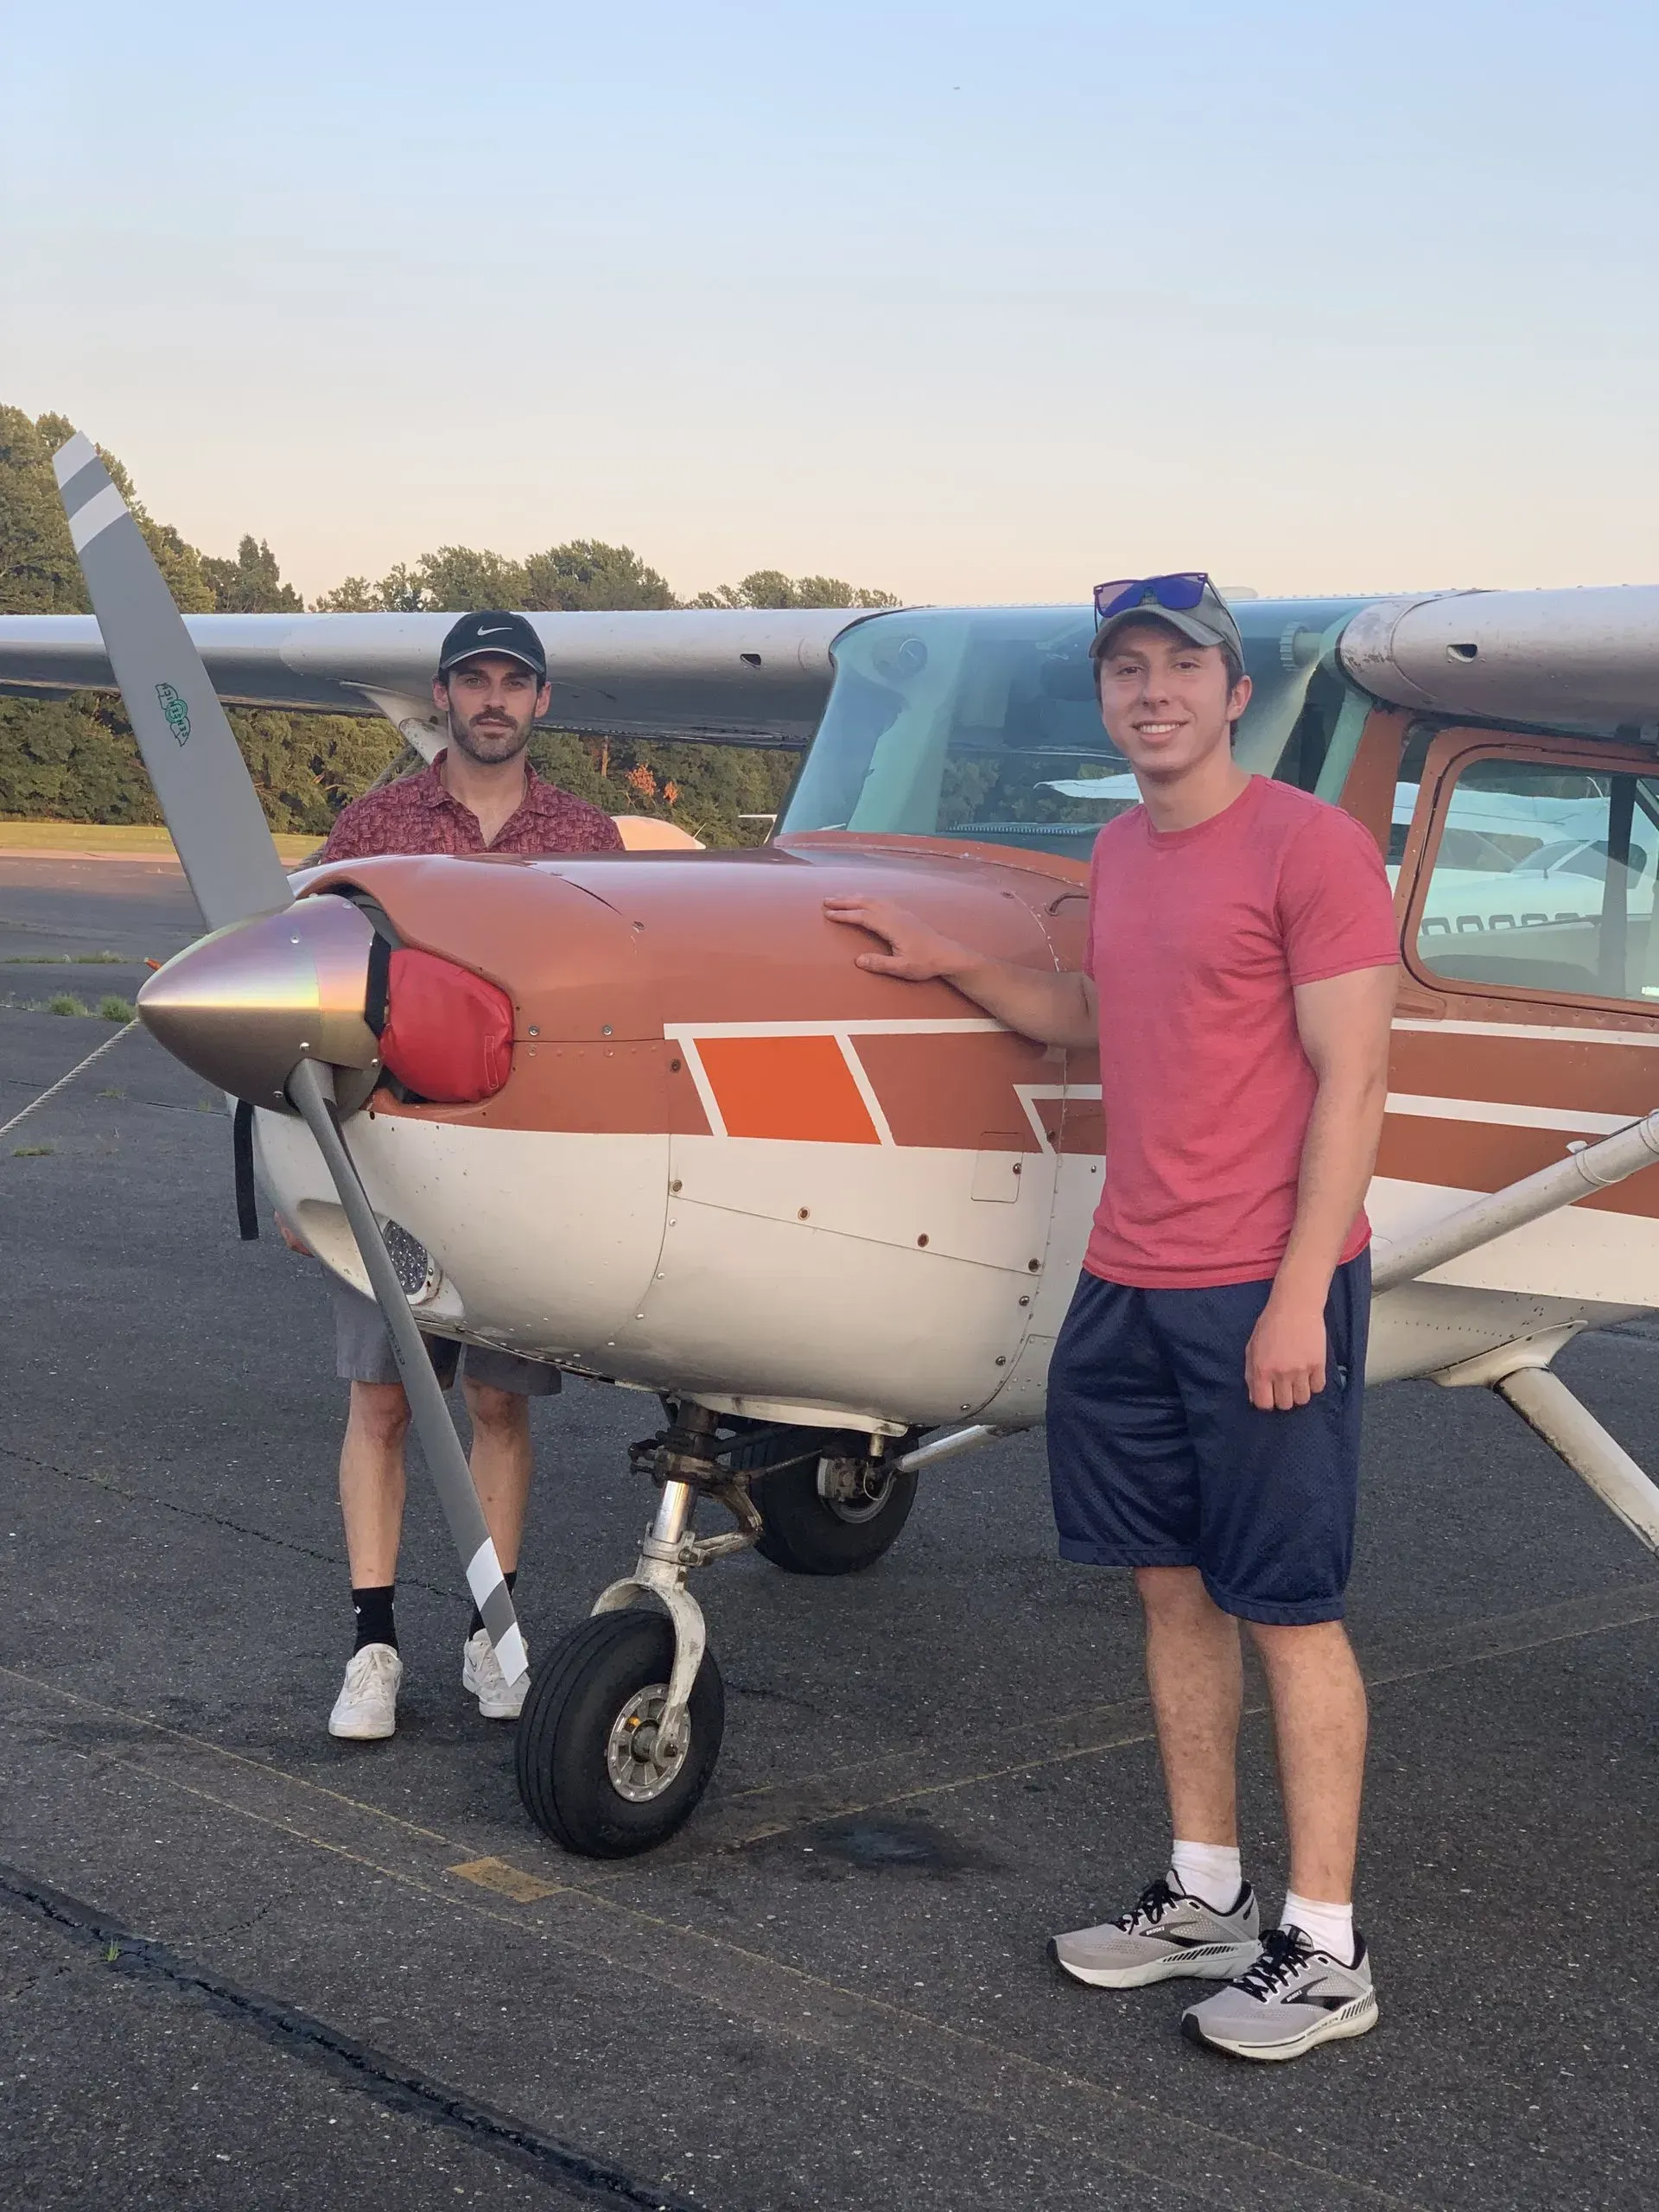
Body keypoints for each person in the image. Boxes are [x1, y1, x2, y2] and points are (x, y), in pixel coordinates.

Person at [823, 575, 1398, 2063]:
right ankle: (1206, 1891)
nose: (1151, 691)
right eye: (1125, 670)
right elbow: (1097, 1013)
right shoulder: (1125, 850)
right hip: (1129, 1278)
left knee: (1288, 1607)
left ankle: (1324, 1948)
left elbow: (1356, 1082)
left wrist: (1295, 1300)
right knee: (1166, 1590)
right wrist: (945, 959)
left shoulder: (1311, 848)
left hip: (1263, 1285)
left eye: (1179, 666)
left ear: (1231, 689)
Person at [293, 608, 623, 1744]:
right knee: (381, 1403)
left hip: (526, 1172)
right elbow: (309, 995)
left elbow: (616, 1013)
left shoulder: (586, 836)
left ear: (541, 703)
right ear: (443, 696)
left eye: (511, 681)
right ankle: (370, 1644)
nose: (491, 699)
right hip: (391, 1159)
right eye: (471, 679)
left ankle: (494, 1631)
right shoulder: (374, 822)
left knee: (496, 1403)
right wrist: (303, 1181)